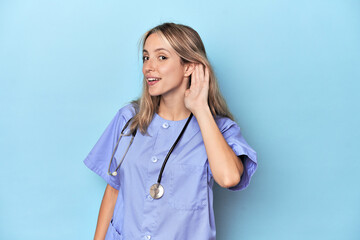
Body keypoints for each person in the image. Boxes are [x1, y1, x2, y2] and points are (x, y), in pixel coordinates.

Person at [84, 22, 257, 240]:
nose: (148, 67)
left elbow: (229, 178)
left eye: (162, 57)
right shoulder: (129, 119)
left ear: (189, 67)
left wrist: (201, 109)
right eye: (146, 57)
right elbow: (114, 190)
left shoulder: (218, 129)